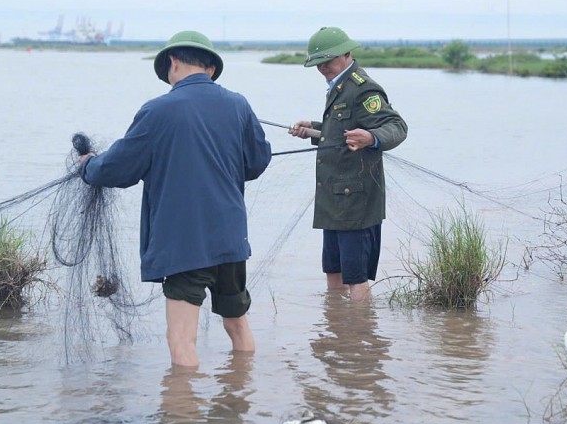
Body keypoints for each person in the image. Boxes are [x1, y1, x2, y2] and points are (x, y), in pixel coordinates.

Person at [80, 30, 272, 367]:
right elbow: (257, 162)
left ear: (172, 62)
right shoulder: (239, 105)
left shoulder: (157, 110)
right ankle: (241, 392)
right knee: (237, 324)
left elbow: (117, 169)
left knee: (181, 338)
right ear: (211, 68)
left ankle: (182, 402)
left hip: (185, 242)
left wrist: (88, 165)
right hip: (231, 239)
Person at [290, 26, 407, 301]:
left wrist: (372, 138)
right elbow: (341, 133)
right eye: (318, 63)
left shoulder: (362, 88)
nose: (322, 68)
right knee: (333, 270)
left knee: (355, 277)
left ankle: (360, 326)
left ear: (346, 54)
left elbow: (397, 127)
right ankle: (337, 323)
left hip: (356, 202)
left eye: (327, 61)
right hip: (332, 198)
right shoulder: (337, 87)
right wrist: (313, 130)